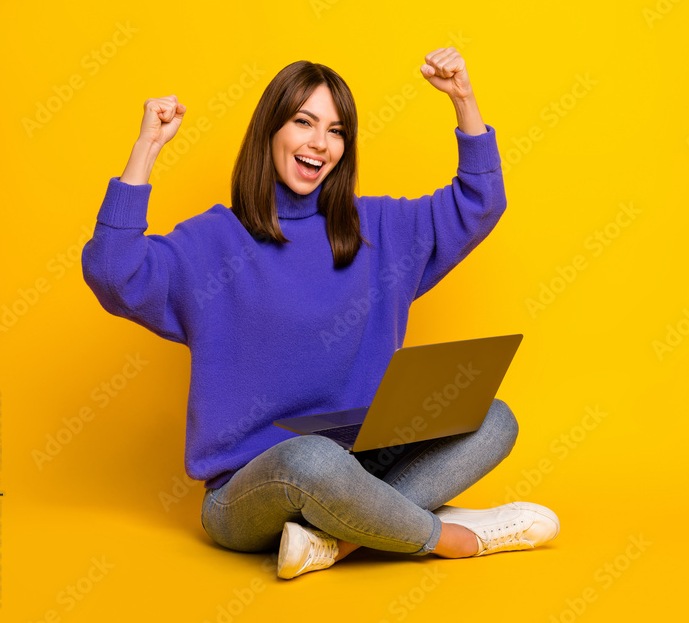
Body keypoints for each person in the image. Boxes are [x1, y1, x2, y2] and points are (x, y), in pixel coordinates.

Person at [81, 48, 560, 579]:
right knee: (311, 459)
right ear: (270, 131)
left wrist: (463, 99)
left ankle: (335, 542)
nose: (319, 143)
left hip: (362, 466)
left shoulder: (377, 228)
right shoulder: (213, 241)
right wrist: (146, 148)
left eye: (336, 131)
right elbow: (112, 273)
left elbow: (480, 201)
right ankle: (445, 538)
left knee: (493, 419)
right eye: (303, 122)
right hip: (250, 493)